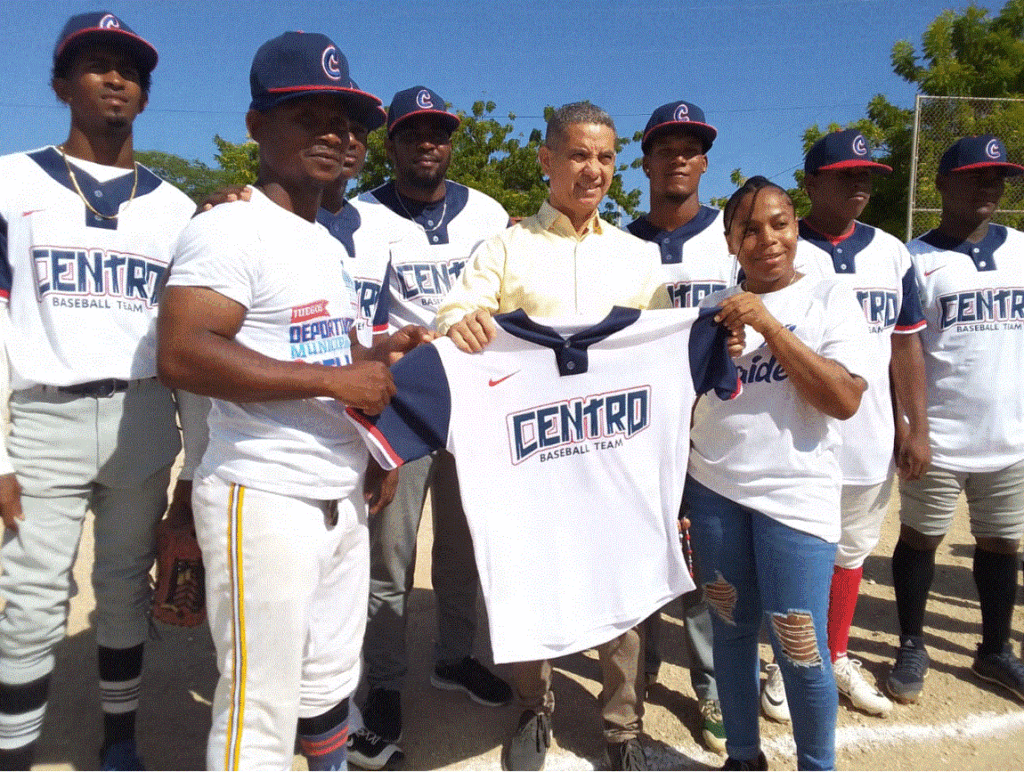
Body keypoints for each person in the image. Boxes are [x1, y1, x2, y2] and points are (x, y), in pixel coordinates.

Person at [157, 32, 427, 769]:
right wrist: (337, 382)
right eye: (308, 115)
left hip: (338, 488)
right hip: (263, 494)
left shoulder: (324, 244)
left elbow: (318, 355)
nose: (337, 134)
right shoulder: (227, 226)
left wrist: (377, 375)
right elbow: (183, 351)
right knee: (258, 708)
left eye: (349, 121)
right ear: (257, 126)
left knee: (328, 683)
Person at [437, 101, 672, 771]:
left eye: (604, 156)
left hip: (613, 458)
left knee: (619, 589)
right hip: (531, 459)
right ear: (546, 160)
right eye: (578, 154)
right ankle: (533, 707)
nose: (592, 169)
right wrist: (460, 322)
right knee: (527, 583)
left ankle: (623, 728)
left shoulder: (637, 256)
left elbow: (662, 347)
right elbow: (455, 308)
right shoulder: (506, 247)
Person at [0, 12, 196, 769]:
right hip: (42, 413)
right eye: (95, 64)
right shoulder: (11, 181)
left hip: (144, 415)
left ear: (145, 96)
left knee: (123, 590)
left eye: (131, 69)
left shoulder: (179, 209)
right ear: (59, 85)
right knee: (32, 606)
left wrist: (196, 466)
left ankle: (119, 739)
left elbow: (189, 344)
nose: (116, 78)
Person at [685, 176, 870, 770]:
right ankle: (743, 756)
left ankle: (816, 764)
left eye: (780, 223)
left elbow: (842, 399)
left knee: (800, 647)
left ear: (796, 226)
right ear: (730, 240)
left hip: (796, 497)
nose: (767, 239)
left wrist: (769, 326)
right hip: (715, 490)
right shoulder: (708, 313)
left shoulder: (829, 299)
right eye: (749, 228)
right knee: (731, 634)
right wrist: (716, 337)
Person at [355, 86, 512, 746]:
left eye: (438, 133)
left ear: (451, 142)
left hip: (475, 398)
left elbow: (506, 299)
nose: (428, 144)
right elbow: (360, 310)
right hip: (404, 400)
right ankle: (386, 682)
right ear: (390, 144)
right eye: (413, 133)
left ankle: (453, 657)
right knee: (388, 557)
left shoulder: (489, 212)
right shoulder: (361, 216)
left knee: (464, 545)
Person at [758, 129, 929, 722]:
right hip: (795, 434)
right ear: (811, 183)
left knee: (850, 555)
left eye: (867, 175)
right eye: (845, 174)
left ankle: (832, 653)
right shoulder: (777, 245)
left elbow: (906, 347)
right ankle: (784, 660)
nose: (859, 184)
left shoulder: (893, 252)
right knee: (796, 551)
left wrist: (914, 425)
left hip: (870, 433)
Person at [887, 134, 1024, 705]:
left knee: (1002, 542)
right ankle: (913, 642)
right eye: (976, 175)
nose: (989, 185)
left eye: (998, 176)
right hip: (940, 434)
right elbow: (905, 351)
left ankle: (994, 650)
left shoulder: (1021, 247)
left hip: (1011, 434)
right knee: (921, 538)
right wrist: (910, 428)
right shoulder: (914, 259)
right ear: (943, 184)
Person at [626, 99, 731, 753]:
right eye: (667, 148)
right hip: (640, 432)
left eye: (691, 148)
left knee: (704, 566)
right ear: (646, 162)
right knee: (636, 559)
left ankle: (714, 687)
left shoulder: (732, 238)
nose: (679, 158)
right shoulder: (617, 244)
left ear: (705, 162)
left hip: (715, 428)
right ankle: (633, 681)